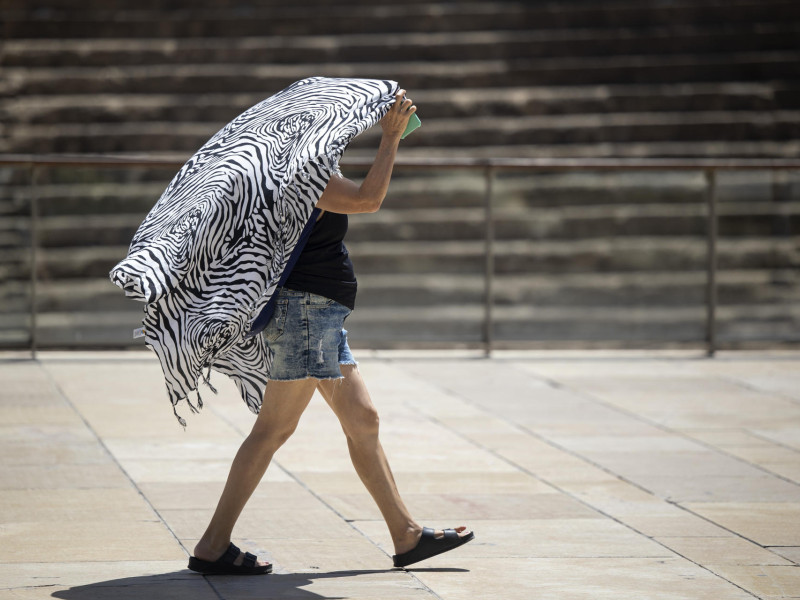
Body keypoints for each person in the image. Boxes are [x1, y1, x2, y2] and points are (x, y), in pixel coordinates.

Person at [187, 90, 474, 575]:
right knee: (274, 429)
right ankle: (213, 546)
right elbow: (368, 199)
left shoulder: (303, 171)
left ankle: (406, 536)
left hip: (319, 315)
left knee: (364, 419)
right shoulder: (303, 176)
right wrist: (390, 138)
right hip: (305, 313)